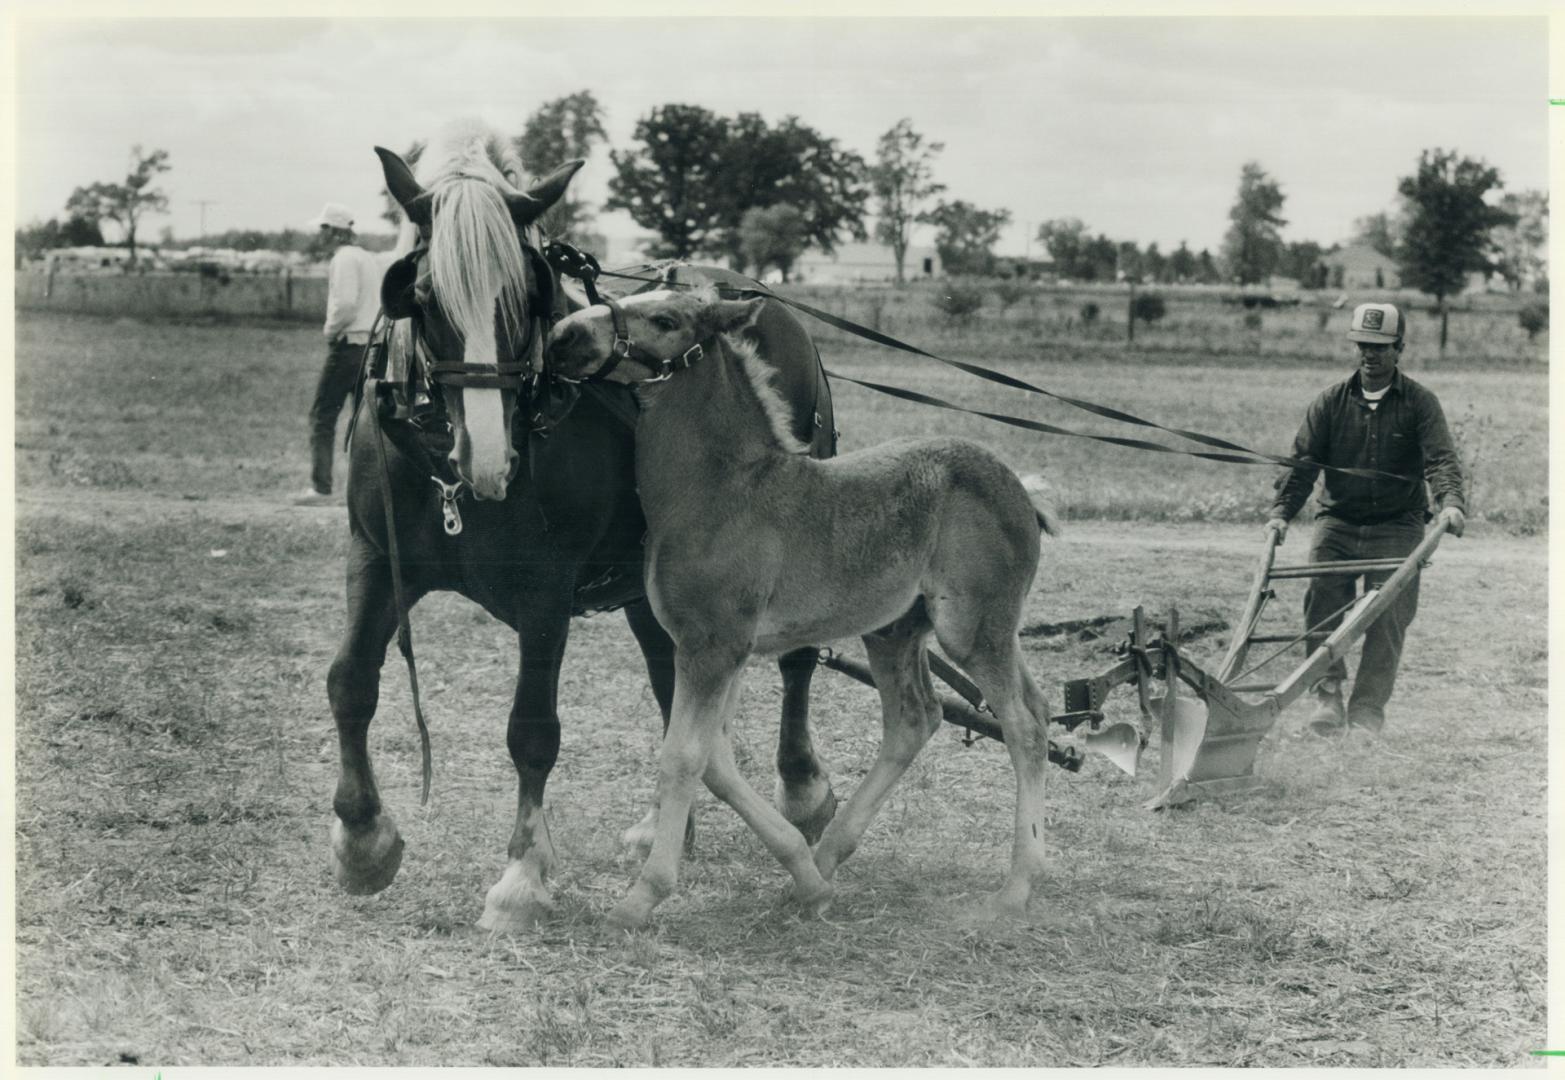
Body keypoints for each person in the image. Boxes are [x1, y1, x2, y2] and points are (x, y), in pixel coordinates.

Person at [1265, 302, 1467, 736]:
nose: (1368, 355)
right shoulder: (1330, 403)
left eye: (1379, 347)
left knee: (1389, 617)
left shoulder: (1419, 403)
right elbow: (1302, 464)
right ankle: (1326, 699)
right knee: (1322, 607)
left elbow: (1440, 460)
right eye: (1362, 345)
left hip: (1398, 525)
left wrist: (1450, 503)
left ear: (1399, 348)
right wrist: (1281, 514)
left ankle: (1367, 713)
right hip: (1338, 521)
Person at [295, 203, 384, 505]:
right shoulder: (366, 258)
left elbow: (345, 304)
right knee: (363, 421)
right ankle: (363, 490)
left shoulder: (344, 259)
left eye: (323, 229)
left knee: (323, 416)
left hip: (347, 346)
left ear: (334, 231)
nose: (319, 235)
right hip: (370, 348)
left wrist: (329, 330)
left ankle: (321, 487)